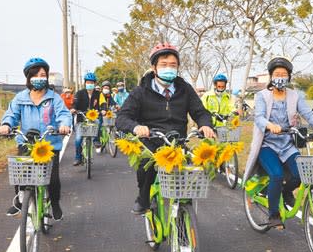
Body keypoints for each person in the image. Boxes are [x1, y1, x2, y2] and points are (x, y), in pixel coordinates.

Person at [116, 42, 215, 214]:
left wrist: (205, 124)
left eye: (173, 65)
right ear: (154, 67)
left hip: (177, 142)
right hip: (151, 141)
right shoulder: (140, 92)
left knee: (190, 174)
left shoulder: (185, 89)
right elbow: (122, 118)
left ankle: (184, 214)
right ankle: (143, 198)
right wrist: (137, 127)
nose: (168, 68)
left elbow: (200, 112)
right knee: (145, 166)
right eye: (163, 64)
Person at [243, 56, 313, 228]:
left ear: (289, 77)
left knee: (301, 174)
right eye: (277, 73)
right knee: (276, 175)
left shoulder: (295, 95)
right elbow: (259, 117)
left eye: (284, 74)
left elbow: (308, 114)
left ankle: (284, 193)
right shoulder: (262, 95)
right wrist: (270, 125)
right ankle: (273, 214)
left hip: (287, 144)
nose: (280, 77)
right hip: (267, 145)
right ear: (271, 76)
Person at [0, 58, 72, 220]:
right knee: (20, 174)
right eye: (37, 75)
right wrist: (6, 124)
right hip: (27, 142)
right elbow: (11, 114)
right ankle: (19, 202)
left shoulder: (54, 98)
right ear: (29, 77)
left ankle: (55, 203)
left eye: (43, 75)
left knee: (52, 179)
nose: (40, 78)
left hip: (49, 143)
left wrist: (64, 125)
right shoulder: (20, 98)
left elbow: (64, 114)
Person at [71, 72, 102, 165]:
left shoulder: (98, 94)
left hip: (93, 117)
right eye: (88, 82)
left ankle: (96, 140)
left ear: (95, 83)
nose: (90, 84)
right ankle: (78, 158)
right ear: (85, 83)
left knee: (98, 121)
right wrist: (73, 108)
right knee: (78, 139)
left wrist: (104, 109)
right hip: (82, 118)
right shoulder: (80, 93)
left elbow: (103, 103)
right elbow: (75, 103)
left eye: (92, 82)